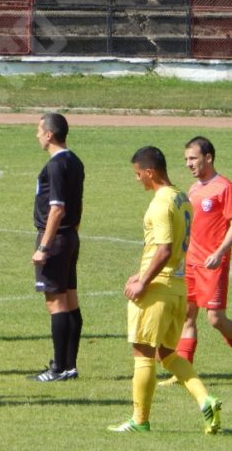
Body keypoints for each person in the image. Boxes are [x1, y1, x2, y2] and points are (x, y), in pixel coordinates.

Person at [108, 146, 221, 434]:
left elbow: (164, 249)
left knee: (143, 353)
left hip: (159, 289)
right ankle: (204, 398)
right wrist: (142, 272)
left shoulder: (160, 203)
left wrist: (143, 282)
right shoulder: (182, 197)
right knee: (169, 354)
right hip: (178, 287)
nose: (137, 180)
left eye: (138, 174)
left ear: (150, 171)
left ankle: (140, 420)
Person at [159, 136, 232, 386]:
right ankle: (182, 372)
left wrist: (220, 252)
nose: (189, 164)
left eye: (193, 158)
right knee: (186, 316)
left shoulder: (224, 187)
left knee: (216, 319)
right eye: (186, 159)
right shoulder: (193, 189)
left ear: (208, 158)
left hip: (213, 264)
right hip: (190, 264)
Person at [30, 113, 84, 382]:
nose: (37, 135)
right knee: (70, 301)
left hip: (55, 239)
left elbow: (57, 209)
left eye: (39, 130)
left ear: (49, 134)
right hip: (70, 238)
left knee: (56, 304)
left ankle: (59, 367)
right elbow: (78, 204)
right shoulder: (75, 161)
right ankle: (70, 366)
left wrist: (44, 246)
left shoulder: (55, 165)